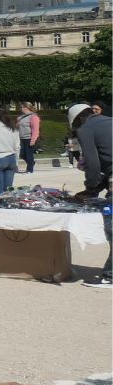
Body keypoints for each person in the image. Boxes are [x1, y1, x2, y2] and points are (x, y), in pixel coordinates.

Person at [68, 103, 112, 287]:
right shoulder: (108, 120)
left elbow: (93, 164)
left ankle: (110, 276)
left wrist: (91, 189)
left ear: (79, 119)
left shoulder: (85, 129)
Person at [17, 102, 41, 175]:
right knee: (21, 154)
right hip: (21, 138)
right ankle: (31, 163)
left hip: (29, 138)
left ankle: (29, 170)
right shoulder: (21, 117)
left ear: (27, 108)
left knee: (29, 154)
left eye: (22, 107)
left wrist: (33, 140)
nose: (21, 109)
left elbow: (35, 129)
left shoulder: (33, 117)